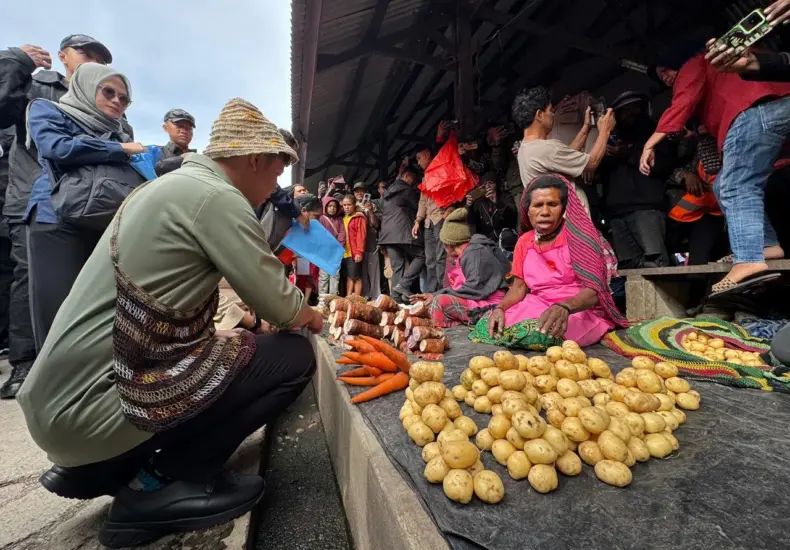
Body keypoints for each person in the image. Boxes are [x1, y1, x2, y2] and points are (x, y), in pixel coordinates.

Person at [18, 98, 323, 547]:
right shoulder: (216, 197)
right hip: (92, 412)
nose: (275, 185)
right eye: (277, 172)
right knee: (292, 357)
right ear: (256, 159)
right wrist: (317, 315)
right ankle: (161, 486)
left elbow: (165, 311)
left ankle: (109, 467)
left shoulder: (165, 188)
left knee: (233, 343)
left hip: (60, 411)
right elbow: (284, 307)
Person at [0, 34, 113, 398]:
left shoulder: (107, 102)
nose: (94, 61)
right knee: (32, 281)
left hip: (88, 207)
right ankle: (27, 364)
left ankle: (85, 362)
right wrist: (16, 60)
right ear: (62, 56)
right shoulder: (36, 91)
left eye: (100, 58)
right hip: (39, 205)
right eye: (86, 54)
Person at [640, 43, 790, 296]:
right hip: (776, 109)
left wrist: (651, 141)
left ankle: (748, 259)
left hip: (754, 112)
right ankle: (766, 244)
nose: (665, 77)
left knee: (735, 185)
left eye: (666, 70)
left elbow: (683, 100)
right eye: (660, 76)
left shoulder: (695, 63)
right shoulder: (721, 71)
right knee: (724, 184)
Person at [25, 63, 145, 351]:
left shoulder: (121, 132)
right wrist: (118, 150)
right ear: (87, 88)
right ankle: (52, 386)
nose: (117, 101)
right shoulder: (48, 109)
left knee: (97, 309)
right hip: (56, 218)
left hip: (103, 222)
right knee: (57, 309)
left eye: (124, 98)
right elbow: (56, 147)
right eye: (108, 91)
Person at [483, 175, 627, 347]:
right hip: (538, 304)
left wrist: (564, 307)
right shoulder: (524, 241)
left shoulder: (581, 237)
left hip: (578, 309)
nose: (545, 212)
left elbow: (594, 292)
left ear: (564, 207)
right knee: (493, 327)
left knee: (542, 336)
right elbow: (518, 288)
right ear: (528, 210)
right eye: (537, 205)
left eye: (552, 204)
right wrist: (501, 308)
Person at [512, 86, 616, 217]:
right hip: (573, 225)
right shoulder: (546, 149)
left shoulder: (526, 148)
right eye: (550, 110)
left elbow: (564, 157)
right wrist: (605, 131)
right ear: (539, 115)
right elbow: (591, 163)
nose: (553, 114)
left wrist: (585, 128)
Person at [600, 91, 672, 268]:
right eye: (624, 111)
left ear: (644, 110)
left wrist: (630, 153)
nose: (629, 115)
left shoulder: (656, 136)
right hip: (617, 211)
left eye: (634, 109)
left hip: (647, 207)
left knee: (656, 262)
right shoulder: (610, 140)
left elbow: (666, 165)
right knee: (629, 266)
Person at [410, 208, 508, 328]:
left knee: (439, 302)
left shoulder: (474, 252)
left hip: (490, 304)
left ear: (449, 246)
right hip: (477, 299)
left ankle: (436, 336)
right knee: (432, 303)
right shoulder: (468, 252)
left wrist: (435, 295)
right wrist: (433, 294)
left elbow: (474, 288)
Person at [379, 165, 425, 302]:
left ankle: (395, 300)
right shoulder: (406, 189)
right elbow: (417, 207)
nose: (414, 182)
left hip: (387, 235)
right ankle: (403, 285)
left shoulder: (386, 194)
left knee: (397, 266)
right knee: (422, 255)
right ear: (407, 176)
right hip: (401, 231)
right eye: (413, 179)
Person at [412, 145, 449, 293]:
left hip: (440, 217)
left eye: (420, 158)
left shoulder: (442, 169)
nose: (419, 162)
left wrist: (449, 210)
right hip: (428, 222)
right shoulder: (425, 177)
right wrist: (417, 221)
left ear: (428, 154)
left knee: (441, 257)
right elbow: (423, 201)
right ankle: (432, 292)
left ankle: (442, 290)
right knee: (430, 259)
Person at [466, 171, 518, 244]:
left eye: (490, 183)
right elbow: (472, 222)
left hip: (505, 236)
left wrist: (497, 203)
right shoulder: (479, 202)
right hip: (487, 239)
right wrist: (470, 207)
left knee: (508, 237)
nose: (488, 186)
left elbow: (512, 217)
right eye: (484, 185)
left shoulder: (505, 196)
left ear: (496, 184)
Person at [290, 193, 323, 304]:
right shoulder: (285, 224)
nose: (318, 221)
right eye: (316, 216)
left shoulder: (303, 227)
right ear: (303, 211)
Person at [353, 182, 381, 298]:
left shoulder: (373, 205)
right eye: (357, 191)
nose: (359, 193)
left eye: (362, 190)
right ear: (353, 193)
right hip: (356, 243)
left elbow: (376, 224)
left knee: (373, 270)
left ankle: (375, 295)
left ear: (366, 192)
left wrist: (370, 211)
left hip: (370, 241)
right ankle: (364, 295)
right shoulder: (351, 205)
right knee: (361, 271)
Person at [154, 109, 196, 176]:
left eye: (189, 128)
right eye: (179, 126)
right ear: (165, 128)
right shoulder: (153, 152)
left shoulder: (198, 158)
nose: (184, 131)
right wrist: (183, 158)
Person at [318, 194, 345, 295]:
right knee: (324, 276)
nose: (332, 208)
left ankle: (333, 299)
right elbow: (319, 234)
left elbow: (342, 233)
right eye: (330, 206)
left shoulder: (339, 220)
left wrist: (339, 247)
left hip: (336, 251)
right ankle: (322, 298)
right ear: (325, 206)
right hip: (324, 251)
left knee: (334, 275)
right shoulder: (322, 219)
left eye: (334, 206)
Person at [341, 194, 367, 297]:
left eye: (349, 205)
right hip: (344, 252)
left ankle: (355, 299)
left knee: (355, 277)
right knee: (349, 276)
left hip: (354, 251)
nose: (346, 207)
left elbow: (362, 235)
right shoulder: (343, 218)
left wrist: (359, 252)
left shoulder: (359, 217)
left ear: (354, 205)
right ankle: (349, 298)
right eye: (344, 205)